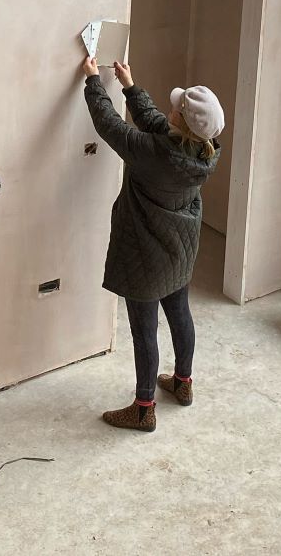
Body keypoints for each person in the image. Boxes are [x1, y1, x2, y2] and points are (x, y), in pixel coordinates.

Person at [82, 54, 225, 433]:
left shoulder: (153, 153)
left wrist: (93, 82)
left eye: (176, 107)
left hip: (145, 255)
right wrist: (129, 86)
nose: (170, 109)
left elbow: (110, 126)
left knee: (144, 332)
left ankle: (143, 409)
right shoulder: (201, 149)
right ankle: (183, 382)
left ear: (181, 119)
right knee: (180, 314)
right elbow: (154, 121)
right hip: (180, 250)